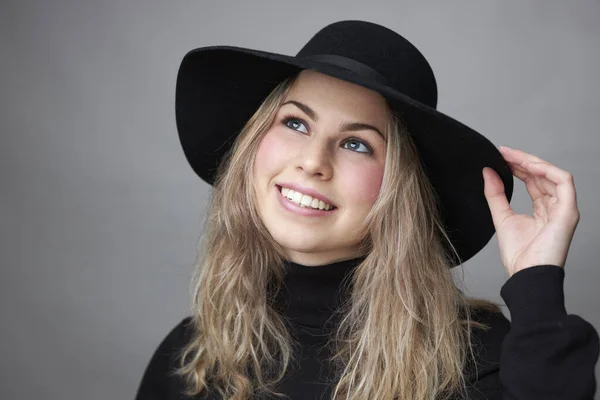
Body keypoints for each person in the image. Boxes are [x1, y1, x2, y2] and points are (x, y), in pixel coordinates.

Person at [134, 20, 599, 399]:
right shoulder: (191, 358)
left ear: (400, 189)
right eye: (295, 122)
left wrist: (537, 285)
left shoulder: (477, 361)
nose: (313, 162)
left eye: (357, 144)